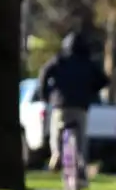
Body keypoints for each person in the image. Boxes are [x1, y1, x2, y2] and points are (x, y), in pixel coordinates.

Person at [38, 31, 109, 177]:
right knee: (81, 139)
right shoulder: (88, 62)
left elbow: (44, 72)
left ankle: (56, 154)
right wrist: (91, 90)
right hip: (81, 106)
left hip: (60, 104)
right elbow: (104, 80)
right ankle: (82, 165)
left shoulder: (60, 60)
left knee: (56, 132)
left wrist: (45, 94)